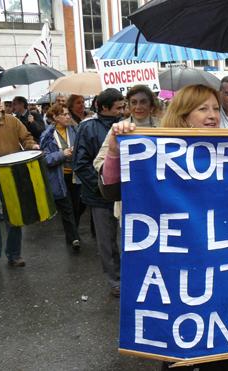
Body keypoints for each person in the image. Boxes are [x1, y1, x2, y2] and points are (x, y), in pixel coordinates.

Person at [99, 84, 228, 371]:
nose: (213, 114)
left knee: (225, 350)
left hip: (226, 271)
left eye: (215, 108)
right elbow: (111, 191)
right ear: (183, 114)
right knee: (181, 351)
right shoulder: (156, 149)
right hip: (179, 274)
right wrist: (116, 150)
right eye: (203, 109)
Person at [73, 88, 125, 298]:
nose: (123, 110)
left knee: (126, 240)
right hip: (100, 196)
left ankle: (128, 276)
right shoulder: (87, 128)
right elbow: (81, 163)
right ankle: (115, 281)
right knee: (107, 241)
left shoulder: (126, 125)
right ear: (104, 107)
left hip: (123, 194)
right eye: (118, 107)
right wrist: (103, 185)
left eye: (124, 106)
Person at [94, 85, 160, 220]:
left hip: (158, 197)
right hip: (129, 199)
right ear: (128, 106)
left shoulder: (164, 127)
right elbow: (98, 161)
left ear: (151, 105)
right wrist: (114, 166)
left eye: (143, 102)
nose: (138, 106)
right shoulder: (118, 129)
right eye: (134, 102)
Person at [0, 90, 39, 272]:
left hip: (11, 177)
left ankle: (14, 254)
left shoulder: (12, 121)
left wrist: (32, 145)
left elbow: (26, 138)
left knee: (15, 218)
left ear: (2, 104)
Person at [40, 103, 81, 250]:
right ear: (55, 117)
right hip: (59, 177)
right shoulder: (47, 136)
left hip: (76, 176)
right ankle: (74, 237)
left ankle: (72, 233)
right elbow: (45, 159)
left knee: (77, 207)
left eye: (68, 114)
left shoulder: (75, 130)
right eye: (64, 114)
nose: (68, 116)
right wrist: (61, 154)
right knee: (67, 208)